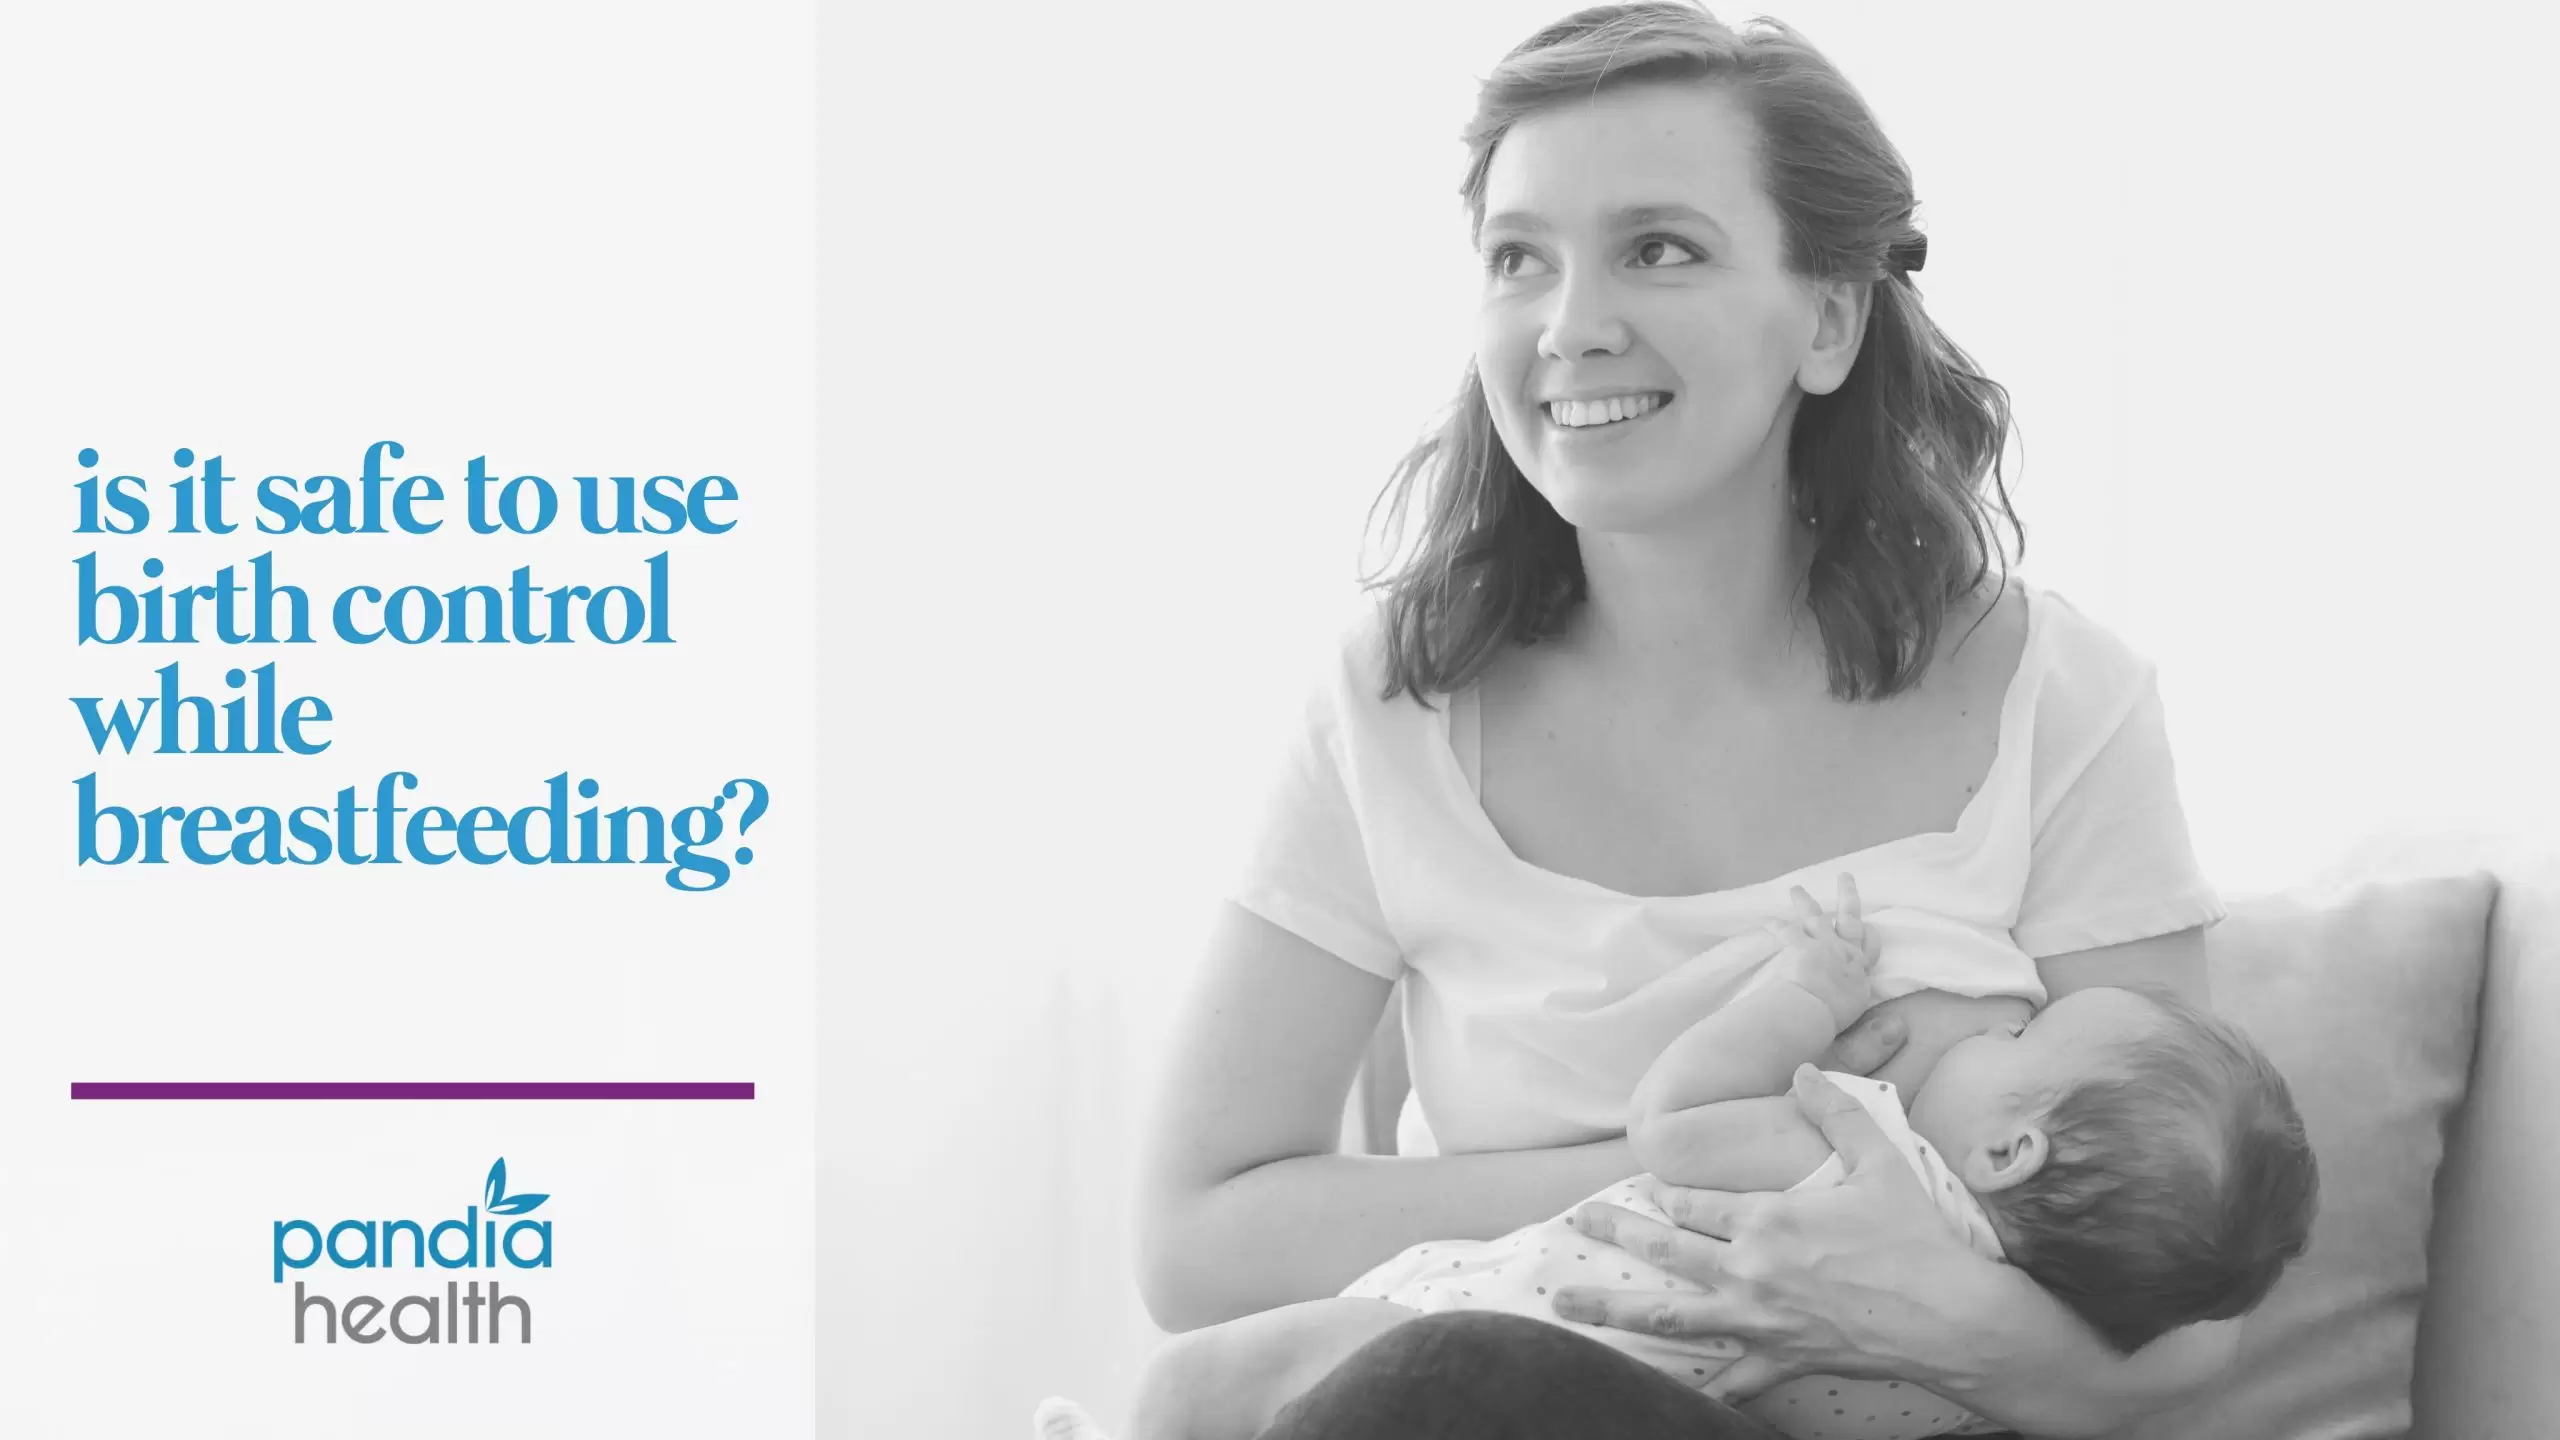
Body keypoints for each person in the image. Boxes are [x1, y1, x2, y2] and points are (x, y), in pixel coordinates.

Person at [1130, 3, 2240, 1435]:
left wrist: (1900, 1294)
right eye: (1519, 258)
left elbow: (2192, 1332)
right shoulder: (1394, 703)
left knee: (1440, 1380)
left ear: (1831, 318)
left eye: (1661, 248)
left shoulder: (2059, 699)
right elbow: (1195, 1237)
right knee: (1443, 1380)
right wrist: (1719, 1189)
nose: (1571, 326)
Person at [1083, 884, 2315, 1440]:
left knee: (1220, 1388)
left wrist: (1802, 999)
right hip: (1640, 1386)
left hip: (1520, 1316)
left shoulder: (1860, 1160)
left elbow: (1680, 1123)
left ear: (2008, 1147)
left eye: (2027, 1027)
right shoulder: (2043, 1308)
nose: (2003, 1018)